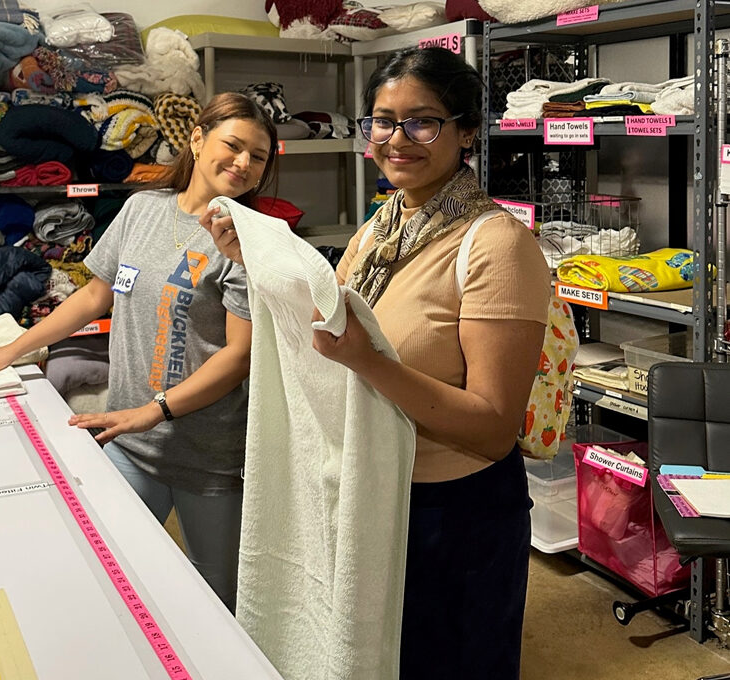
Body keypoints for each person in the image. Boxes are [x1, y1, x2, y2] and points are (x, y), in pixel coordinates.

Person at [203, 47, 550, 678]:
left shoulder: (496, 245)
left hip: (453, 515)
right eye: (382, 121)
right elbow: (329, 324)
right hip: (374, 494)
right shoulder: (381, 227)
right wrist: (258, 261)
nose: (397, 139)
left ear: (467, 130)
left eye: (422, 121)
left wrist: (372, 365)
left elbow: (494, 427)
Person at [0, 92, 279, 612]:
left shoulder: (247, 243)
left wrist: (151, 412)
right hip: (130, 445)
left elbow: (238, 356)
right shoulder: (141, 210)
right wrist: (11, 350)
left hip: (207, 457)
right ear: (197, 139)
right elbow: (92, 295)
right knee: (112, 574)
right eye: (234, 146)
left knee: (218, 598)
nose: (243, 163)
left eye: (258, 157)